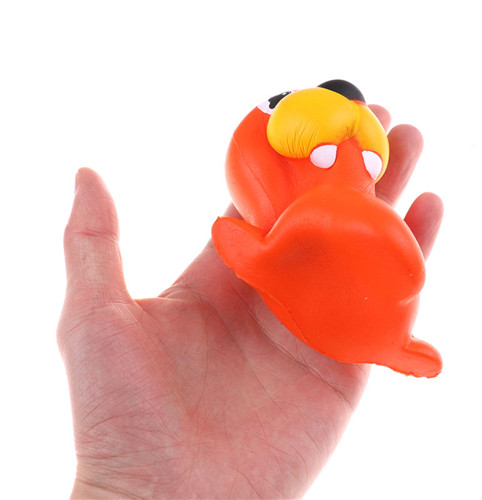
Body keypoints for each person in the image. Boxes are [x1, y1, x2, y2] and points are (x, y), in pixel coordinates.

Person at [57, 105, 443, 499]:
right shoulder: (314, 206)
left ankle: (397, 345)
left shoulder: (332, 207)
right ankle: (396, 345)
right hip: (352, 311)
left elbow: (400, 264)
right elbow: (384, 256)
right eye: (327, 155)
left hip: (371, 312)